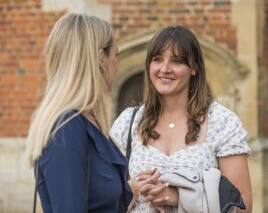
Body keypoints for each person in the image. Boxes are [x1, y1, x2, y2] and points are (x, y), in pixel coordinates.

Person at [25, 13, 160, 213]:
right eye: (116, 54)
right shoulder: (66, 129)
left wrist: (129, 191)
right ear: (101, 58)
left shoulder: (88, 121)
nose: (117, 64)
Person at [109, 25, 252, 213]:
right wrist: (130, 191)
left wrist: (183, 198)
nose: (165, 69)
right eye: (157, 59)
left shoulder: (221, 122)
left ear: (194, 68)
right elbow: (102, 198)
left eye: (176, 61)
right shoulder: (128, 123)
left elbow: (243, 205)